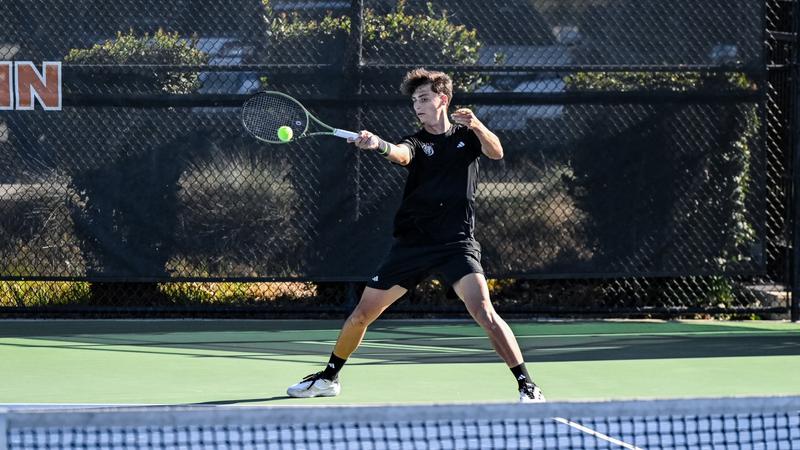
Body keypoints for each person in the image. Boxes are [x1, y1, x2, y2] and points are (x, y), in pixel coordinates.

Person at [286, 68, 545, 403]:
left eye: (424, 98)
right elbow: (400, 153)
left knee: (484, 310)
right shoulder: (417, 143)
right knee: (362, 314)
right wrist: (378, 144)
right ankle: (329, 378)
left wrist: (477, 125)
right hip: (413, 245)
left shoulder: (467, 139)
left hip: (456, 243)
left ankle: (527, 385)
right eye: (414, 101)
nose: (418, 106)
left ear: (443, 99)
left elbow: (496, 152)